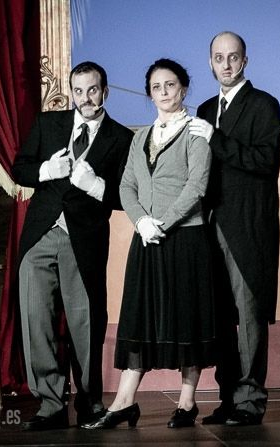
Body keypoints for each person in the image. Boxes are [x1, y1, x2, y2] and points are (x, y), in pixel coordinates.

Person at [82, 58, 216, 430]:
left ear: (183, 89)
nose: (164, 92)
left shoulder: (195, 132)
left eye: (170, 85)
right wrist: (141, 221)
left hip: (186, 239)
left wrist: (163, 224)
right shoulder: (140, 137)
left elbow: (197, 186)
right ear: (150, 94)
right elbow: (127, 185)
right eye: (156, 87)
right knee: (140, 317)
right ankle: (125, 401)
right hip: (146, 239)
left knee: (186, 319)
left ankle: (187, 402)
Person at [12, 61, 134, 430]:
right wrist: (44, 171)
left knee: (86, 323)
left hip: (84, 239)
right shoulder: (48, 124)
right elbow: (20, 168)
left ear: (105, 91)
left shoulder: (121, 138)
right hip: (40, 235)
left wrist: (96, 185)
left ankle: (90, 402)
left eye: (92, 90)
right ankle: (50, 405)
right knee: (36, 321)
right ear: (71, 92)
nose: (85, 98)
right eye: (78, 91)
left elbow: (126, 196)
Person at [188, 31, 280, 426]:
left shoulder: (264, 105)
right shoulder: (205, 108)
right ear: (210, 62)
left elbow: (265, 161)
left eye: (233, 57)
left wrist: (217, 139)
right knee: (221, 318)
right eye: (218, 57)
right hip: (209, 225)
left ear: (245, 60)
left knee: (249, 314)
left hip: (247, 226)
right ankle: (228, 398)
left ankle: (249, 401)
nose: (225, 64)